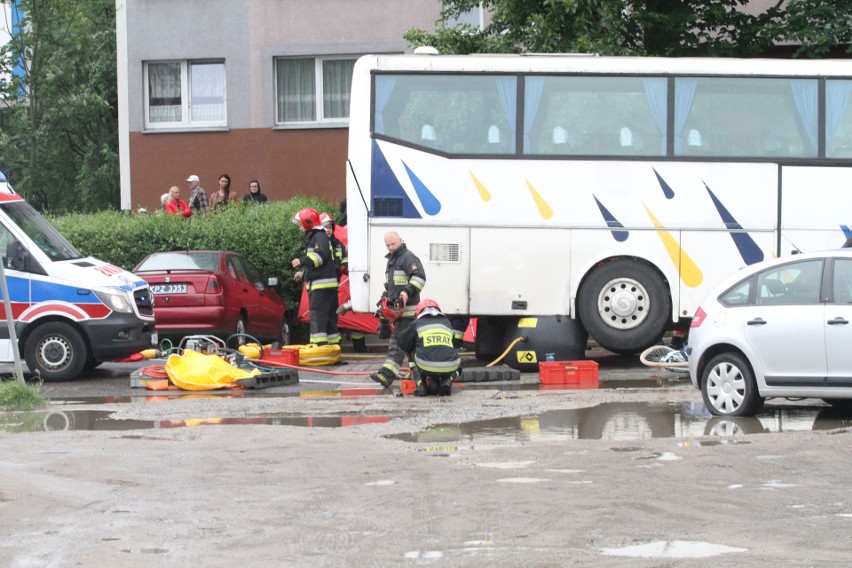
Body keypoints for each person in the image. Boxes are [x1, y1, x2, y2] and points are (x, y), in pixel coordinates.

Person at [370, 231, 426, 387]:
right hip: (399, 312)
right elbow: (391, 287)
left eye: (393, 244)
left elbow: (420, 277)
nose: (390, 248)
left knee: (397, 344)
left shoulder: (409, 258)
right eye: (387, 245)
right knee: (411, 349)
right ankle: (421, 379)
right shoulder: (392, 261)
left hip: (409, 312)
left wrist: (406, 291)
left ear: (401, 240)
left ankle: (387, 375)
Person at [291, 207, 340, 346]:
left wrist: (301, 261)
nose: (300, 227)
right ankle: (332, 349)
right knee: (329, 319)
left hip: (321, 286)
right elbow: (317, 261)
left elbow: (320, 258)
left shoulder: (318, 237)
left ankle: (319, 348)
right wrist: (303, 273)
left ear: (308, 223)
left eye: (301, 224)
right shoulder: (319, 236)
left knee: (318, 316)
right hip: (325, 285)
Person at [397, 299, 462, 396]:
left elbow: (402, 343)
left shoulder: (416, 323)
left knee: (410, 350)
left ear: (419, 311)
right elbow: (451, 345)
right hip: (449, 366)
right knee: (457, 361)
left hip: (425, 365)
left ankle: (421, 385)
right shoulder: (447, 322)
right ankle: (447, 381)